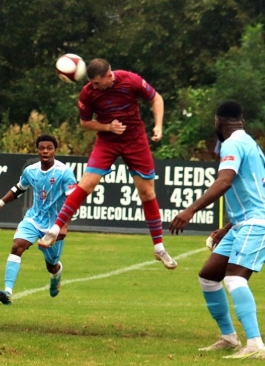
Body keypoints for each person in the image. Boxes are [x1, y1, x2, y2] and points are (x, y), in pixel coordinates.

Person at [37, 58, 177, 269]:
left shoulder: (130, 80)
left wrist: (158, 126)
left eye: (96, 83)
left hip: (135, 140)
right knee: (86, 184)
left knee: (147, 193)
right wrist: (107, 127)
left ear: (109, 76)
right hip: (107, 141)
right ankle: (54, 230)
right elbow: (84, 123)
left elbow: (156, 98)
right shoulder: (88, 92)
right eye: (91, 83)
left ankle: (159, 248)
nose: (93, 87)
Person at [170, 101, 265, 360]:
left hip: (259, 222)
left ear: (219, 122)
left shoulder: (232, 144)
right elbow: (253, 192)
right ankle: (229, 338)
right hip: (246, 221)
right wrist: (227, 227)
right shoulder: (250, 143)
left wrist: (190, 210)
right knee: (209, 276)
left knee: (234, 278)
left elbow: (225, 181)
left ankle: (255, 345)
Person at [0, 135, 76, 304]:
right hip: (33, 219)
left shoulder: (64, 172)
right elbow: (18, 189)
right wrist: (0, 203)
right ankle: (7, 292)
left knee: (51, 264)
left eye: (49, 148)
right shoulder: (31, 171)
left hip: (54, 225)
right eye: (42, 148)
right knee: (17, 246)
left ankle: (56, 274)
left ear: (54, 150)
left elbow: (72, 201)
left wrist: (64, 226)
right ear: (37, 150)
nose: (45, 151)